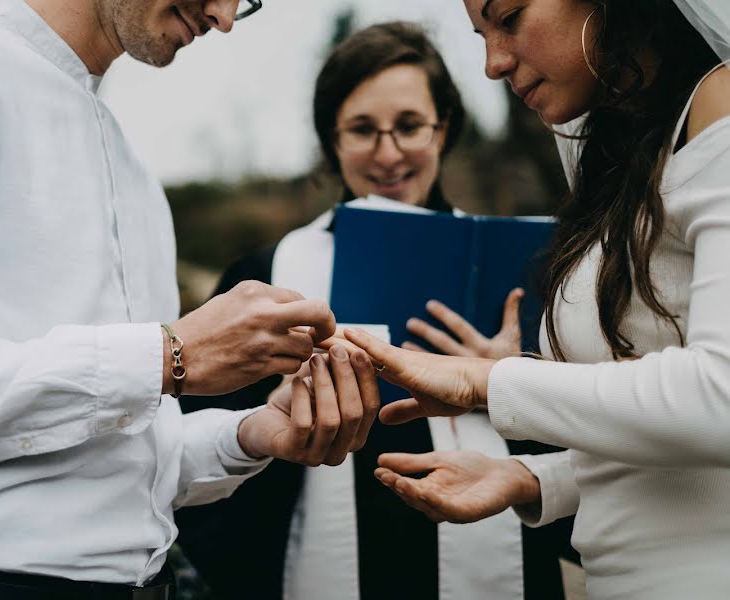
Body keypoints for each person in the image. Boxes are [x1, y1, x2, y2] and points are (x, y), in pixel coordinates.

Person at [0, 1, 383, 599]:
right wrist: (165, 356)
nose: (224, 18)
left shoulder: (136, 175)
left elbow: (123, 466)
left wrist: (250, 435)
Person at [176, 22, 576, 600]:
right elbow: (214, 459)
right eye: (362, 129)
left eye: (410, 126)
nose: (388, 154)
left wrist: (512, 381)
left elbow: (585, 456)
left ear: (443, 129)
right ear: (332, 141)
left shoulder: (526, 268)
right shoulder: (264, 278)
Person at [343, 1, 730, 598]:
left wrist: (486, 381)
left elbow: (721, 399)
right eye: (479, 34)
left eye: (510, 17)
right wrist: (530, 477)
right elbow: (674, 457)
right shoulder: (623, 151)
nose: (493, 64)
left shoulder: (721, 106)